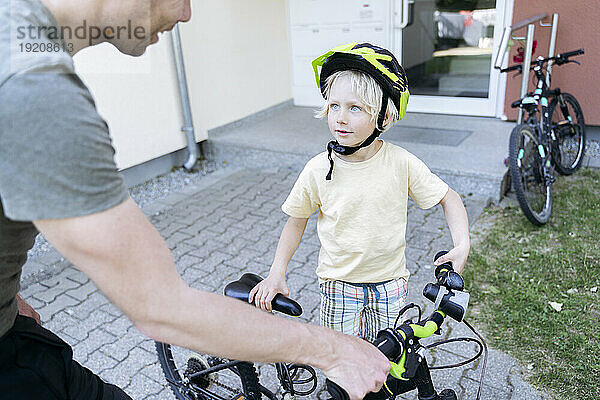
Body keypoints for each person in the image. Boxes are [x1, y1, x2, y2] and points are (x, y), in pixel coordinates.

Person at [0, 2, 390, 399]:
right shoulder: (34, 88)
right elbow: (160, 307)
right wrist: (334, 350)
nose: (186, 15)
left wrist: (11, 295)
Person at [249, 43, 470, 342]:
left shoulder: (400, 162)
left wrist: (462, 244)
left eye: (355, 108)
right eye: (334, 106)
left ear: (383, 116)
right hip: (339, 285)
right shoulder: (317, 169)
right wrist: (277, 272)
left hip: (391, 284)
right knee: (342, 358)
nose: (340, 117)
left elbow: (449, 197)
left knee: (386, 359)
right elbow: (296, 221)